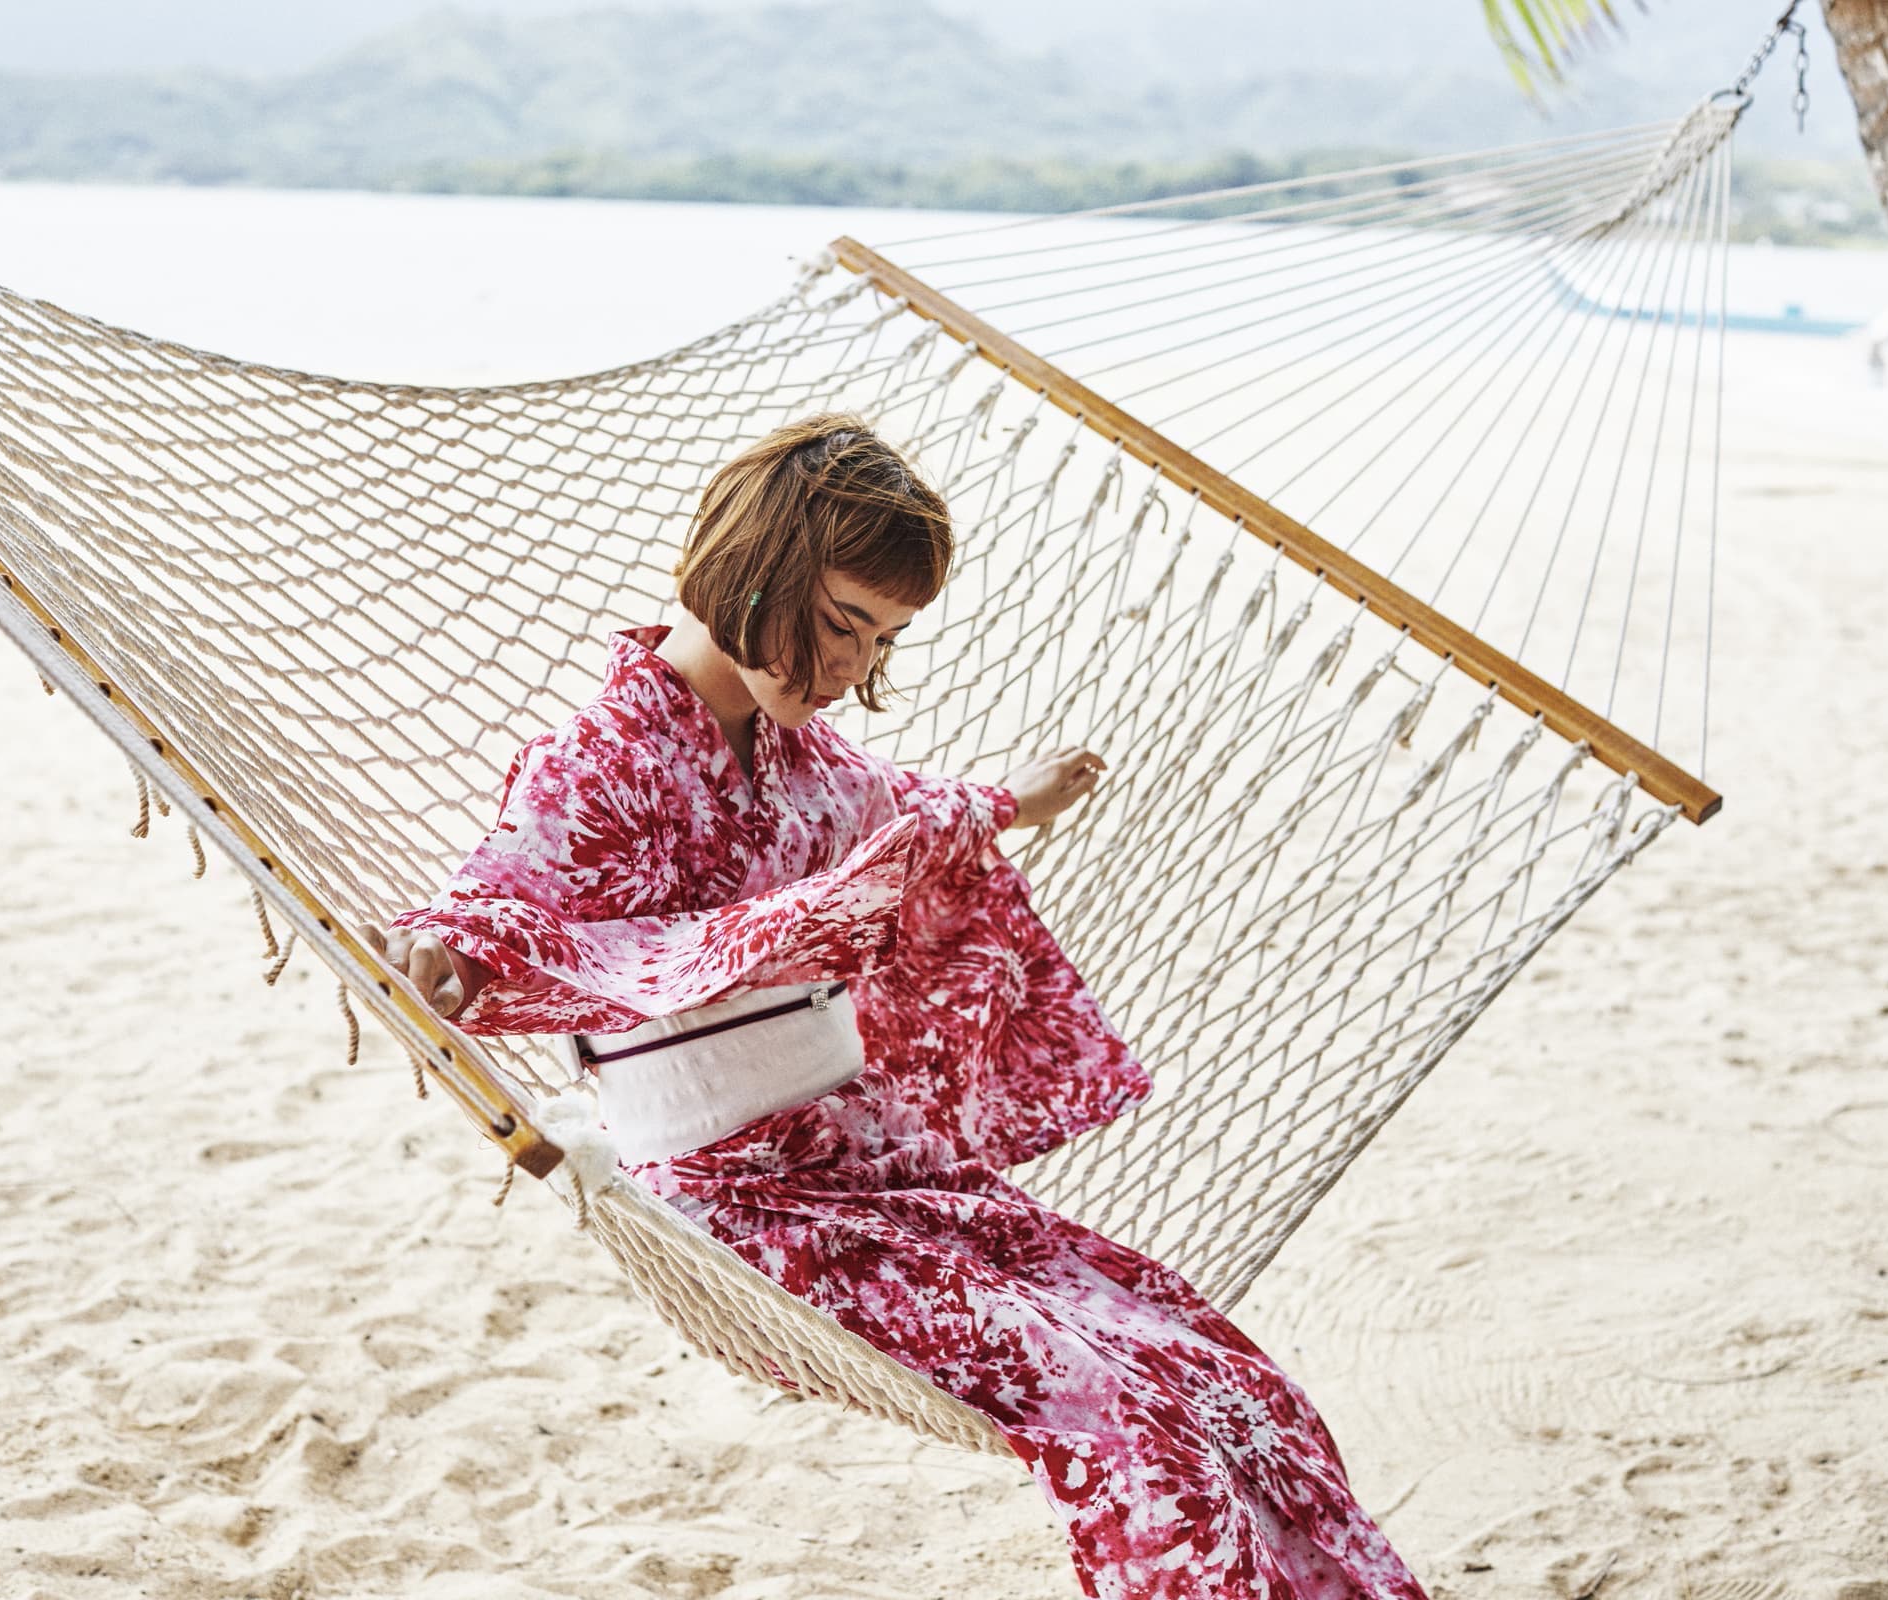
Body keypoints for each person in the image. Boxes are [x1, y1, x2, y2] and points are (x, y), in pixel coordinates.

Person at [361, 412, 1430, 1600]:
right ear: (749, 570)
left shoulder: (809, 763)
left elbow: (909, 808)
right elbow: (508, 887)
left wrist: (1010, 800)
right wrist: (442, 949)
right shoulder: (604, 753)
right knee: (1114, 1408)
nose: (848, 670)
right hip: (748, 1210)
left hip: (884, 1170)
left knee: (1213, 1364)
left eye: (880, 639)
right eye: (838, 622)